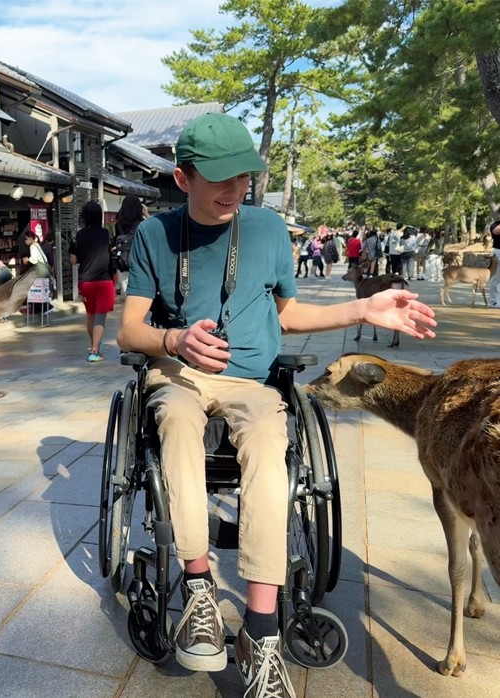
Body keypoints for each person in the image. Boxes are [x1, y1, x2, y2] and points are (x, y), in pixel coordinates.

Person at [117, 113, 435, 698]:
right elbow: (128, 330)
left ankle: (261, 631)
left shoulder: (265, 230)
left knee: (270, 445)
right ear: (183, 179)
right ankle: (200, 591)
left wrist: (361, 312)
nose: (234, 189)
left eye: (244, 177)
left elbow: (287, 315)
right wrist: (173, 339)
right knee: (178, 429)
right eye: (220, 178)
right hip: (179, 373)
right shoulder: (153, 235)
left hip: (251, 383)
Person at [72, 201, 113, 363]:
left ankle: (94, 345)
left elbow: (73, 260)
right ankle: (95, 351)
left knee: (90, 314)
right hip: (104, 281)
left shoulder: (79, 235)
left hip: (85, 281)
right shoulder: (106, 234)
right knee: (100, 317)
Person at [113, 195, 144, 295]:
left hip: (123, 261)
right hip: (139, 262)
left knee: (128, 294)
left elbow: (117, 241)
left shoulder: (119, 224)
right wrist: (146, 215)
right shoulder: (143, 224)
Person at [487, 220, 500, 308]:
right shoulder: (495, 225)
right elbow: (496, 231)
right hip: (498, 252)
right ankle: (494, 301)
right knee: (496, 278)